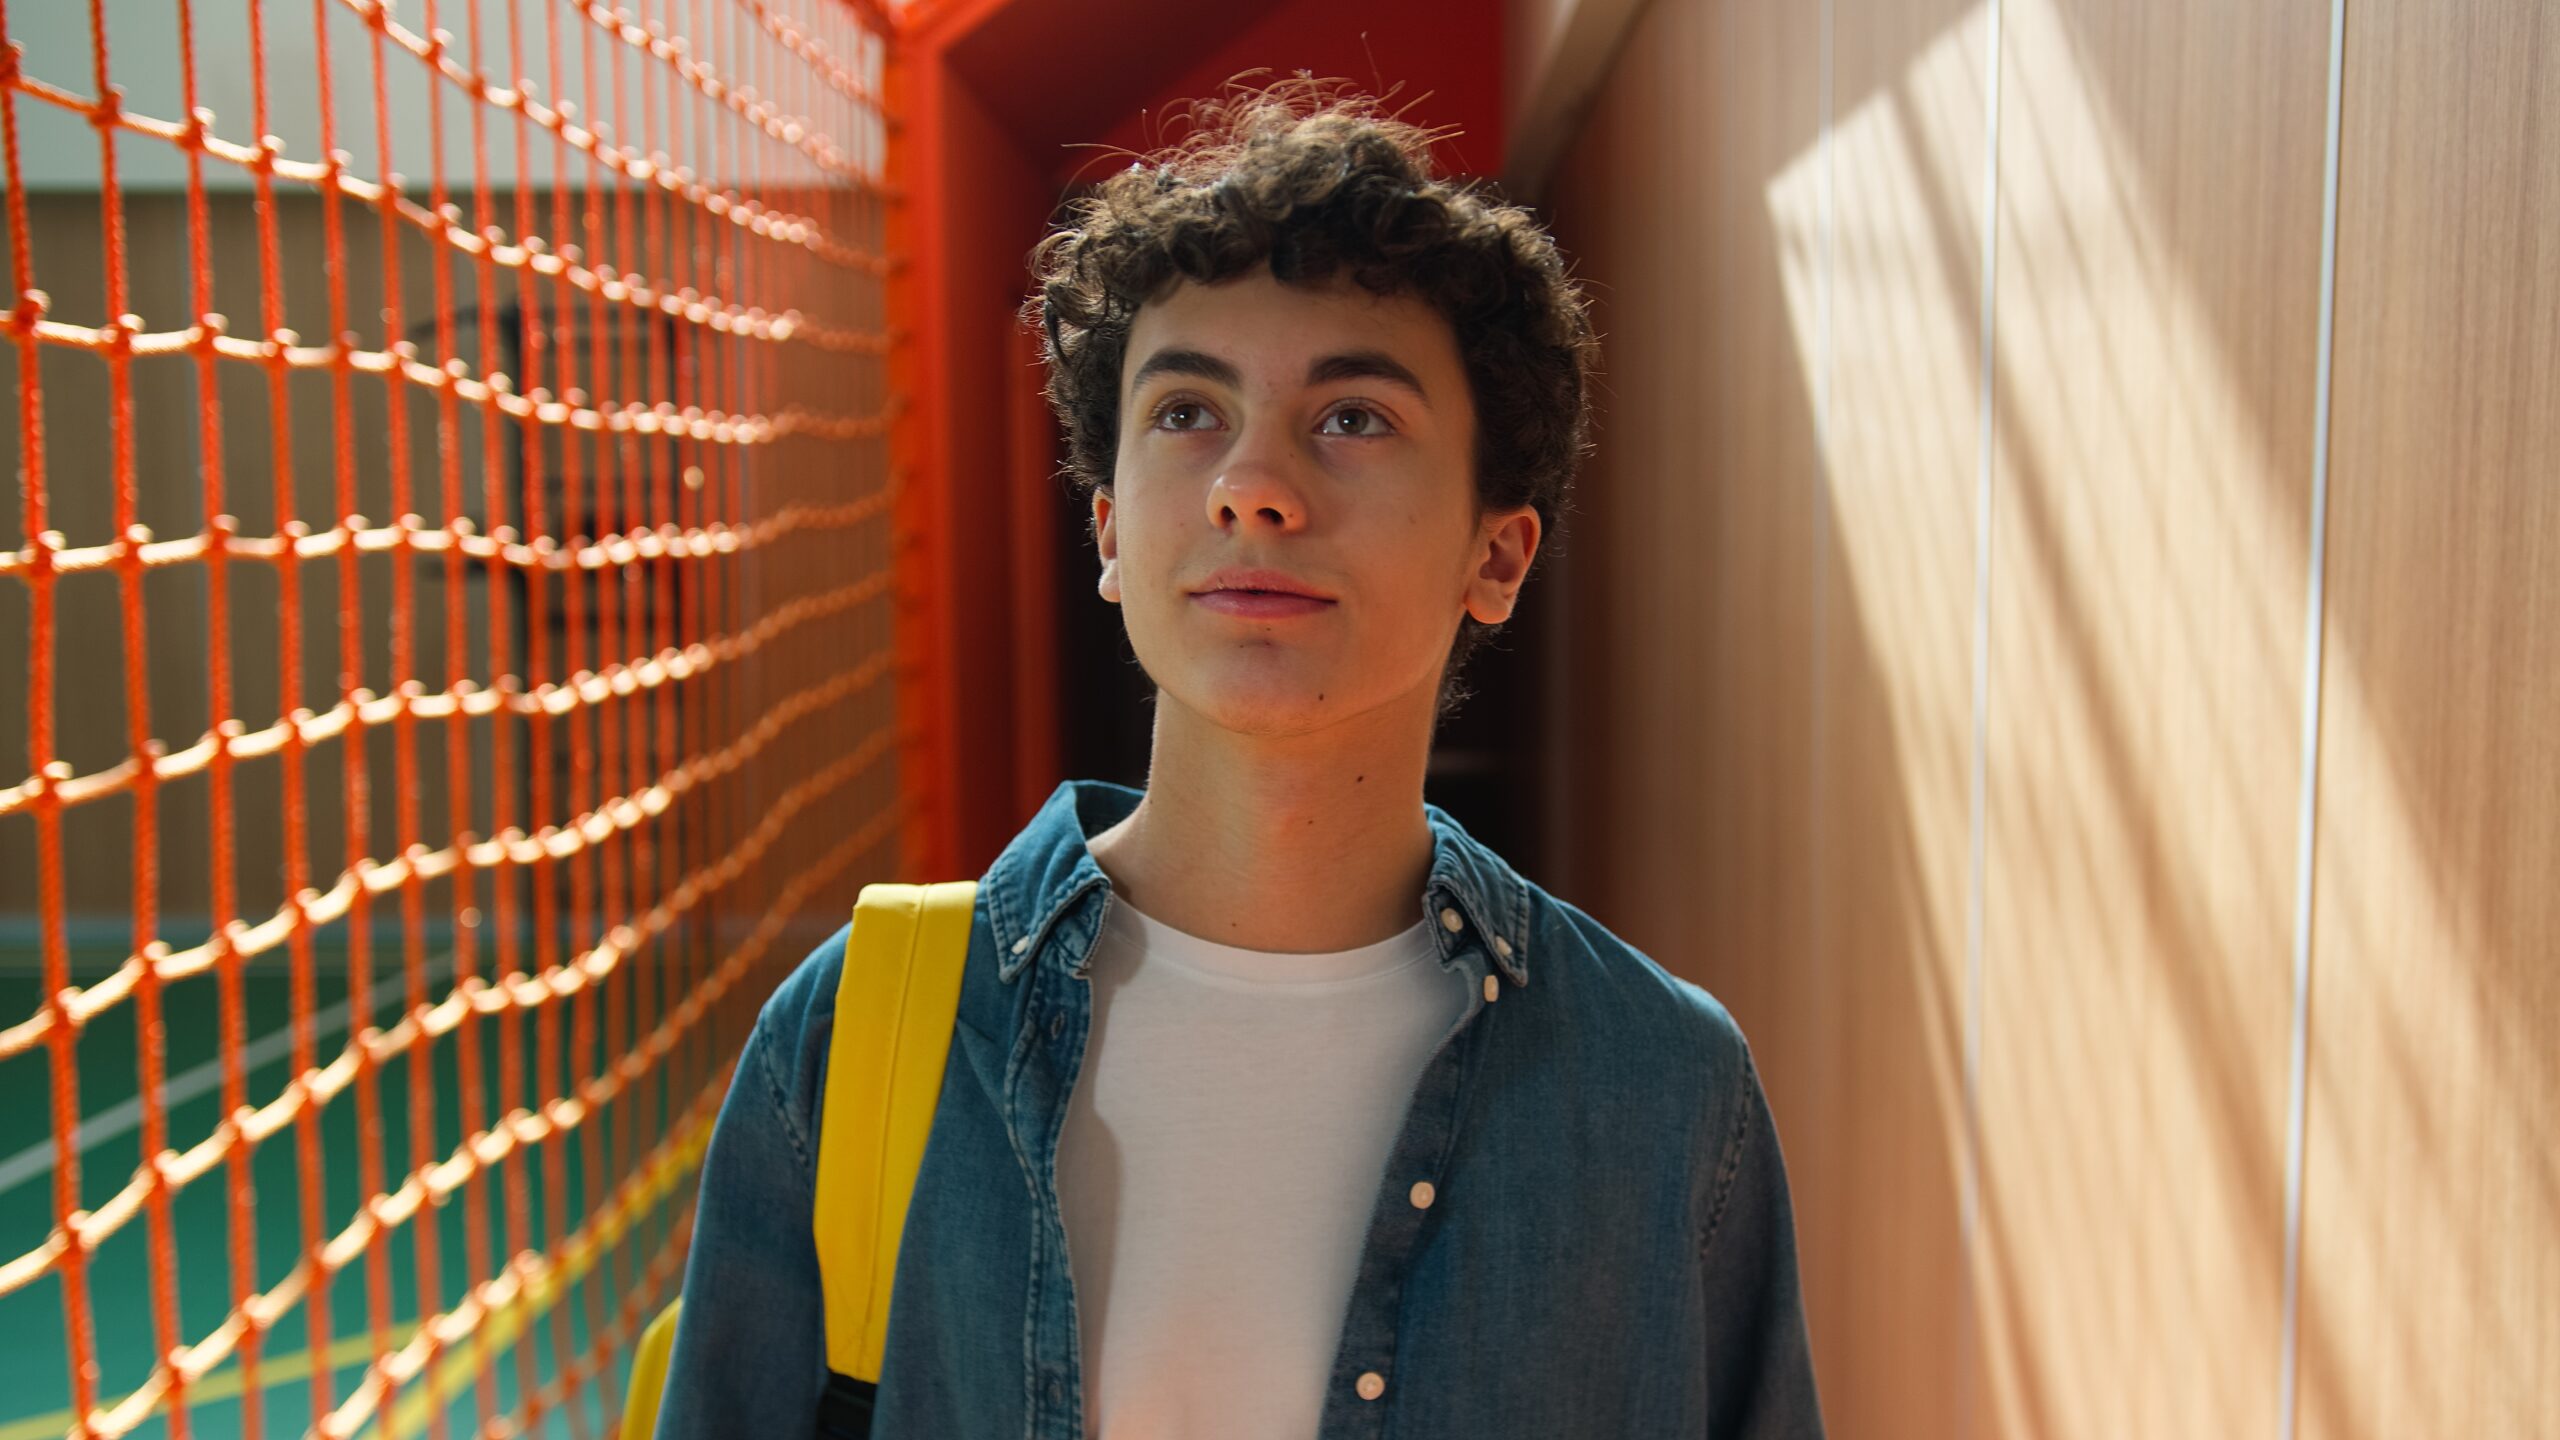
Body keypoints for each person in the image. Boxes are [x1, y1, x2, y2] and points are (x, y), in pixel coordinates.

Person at [653, 79, 1824, 1439]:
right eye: (1187, 412)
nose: (1250, 484)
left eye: (1352, 418)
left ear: (1494, 554)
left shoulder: (1663, 1091)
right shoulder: (864, 1034)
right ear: (1107, 533)